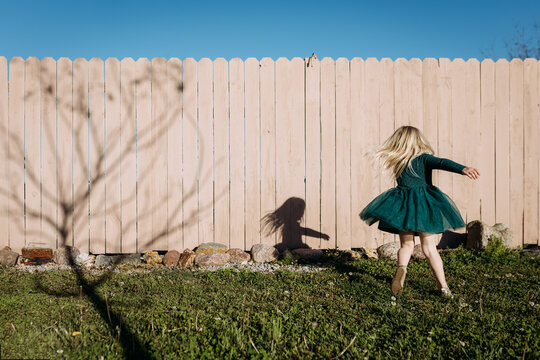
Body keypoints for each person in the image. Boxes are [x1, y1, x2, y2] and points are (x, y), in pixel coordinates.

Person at [359, 126, 480, 297]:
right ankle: (443, 288)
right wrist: (462, 169)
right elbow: (442, 162)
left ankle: (402, 268)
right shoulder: (424, 159)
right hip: (424, 205)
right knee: (429, 248)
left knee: (406, 245)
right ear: (418, 141)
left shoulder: (399, 160)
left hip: (402, 205)